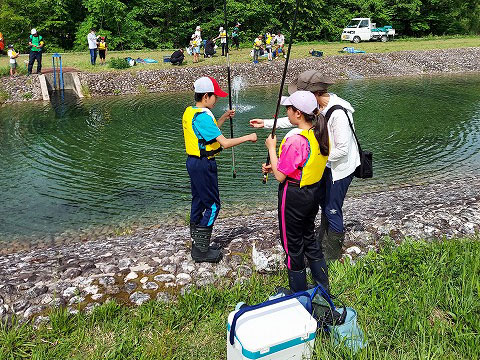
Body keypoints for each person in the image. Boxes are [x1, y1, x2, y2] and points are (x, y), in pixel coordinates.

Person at [250, 70, 360, 262]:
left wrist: (309, 159)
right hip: (323, 166)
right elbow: (298, 119)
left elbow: (342, 150)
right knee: (323, 205)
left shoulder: (338, 112)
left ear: (315, 94)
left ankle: (332, 255)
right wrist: (266, 123)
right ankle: (322, 245)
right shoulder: (317, 109)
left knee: (332, 208)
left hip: (340, 169)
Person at [183, 76, 257, 263]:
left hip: (193, 162)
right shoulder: (203, 116)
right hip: (204, 164)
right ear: (206, 96)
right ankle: (201, 250)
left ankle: (198, 242)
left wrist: (223, 118)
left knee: (198, 200)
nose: (217, 99)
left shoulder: (192, 112)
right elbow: (223, 143)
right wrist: (248, 137)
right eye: (215, 96)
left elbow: (207, 135)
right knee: (213, 206)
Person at [262, 90, 330, 292]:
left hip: (293, 195)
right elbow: (301, 165)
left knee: (292, 245)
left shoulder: (295, 140)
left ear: (298, 113)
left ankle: (299, 294)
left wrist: (271, 149)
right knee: (308, 237)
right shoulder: (318, 134)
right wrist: (276, 165)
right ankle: (322, 286)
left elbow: (281, 176)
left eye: (288, 108)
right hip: (312, 193)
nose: (286, 112)